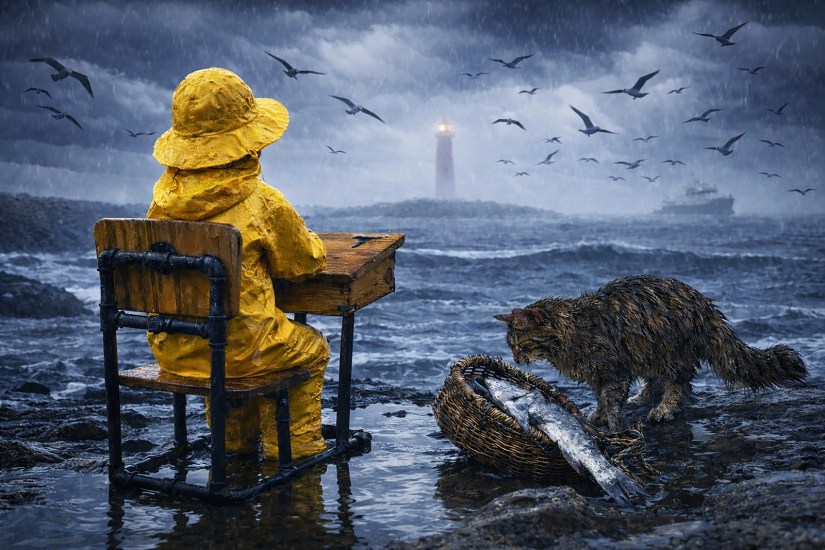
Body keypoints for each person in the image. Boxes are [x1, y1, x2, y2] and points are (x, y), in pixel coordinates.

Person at [145, 67, 329, 460]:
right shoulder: (261, 202)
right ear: (248, 145)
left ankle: (232, 448)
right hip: (242, 349)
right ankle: (295, 454)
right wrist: (310, 241)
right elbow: (303, 263)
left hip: (175, 347)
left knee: (221, 340)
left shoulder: (160, 208)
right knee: (311, 348)